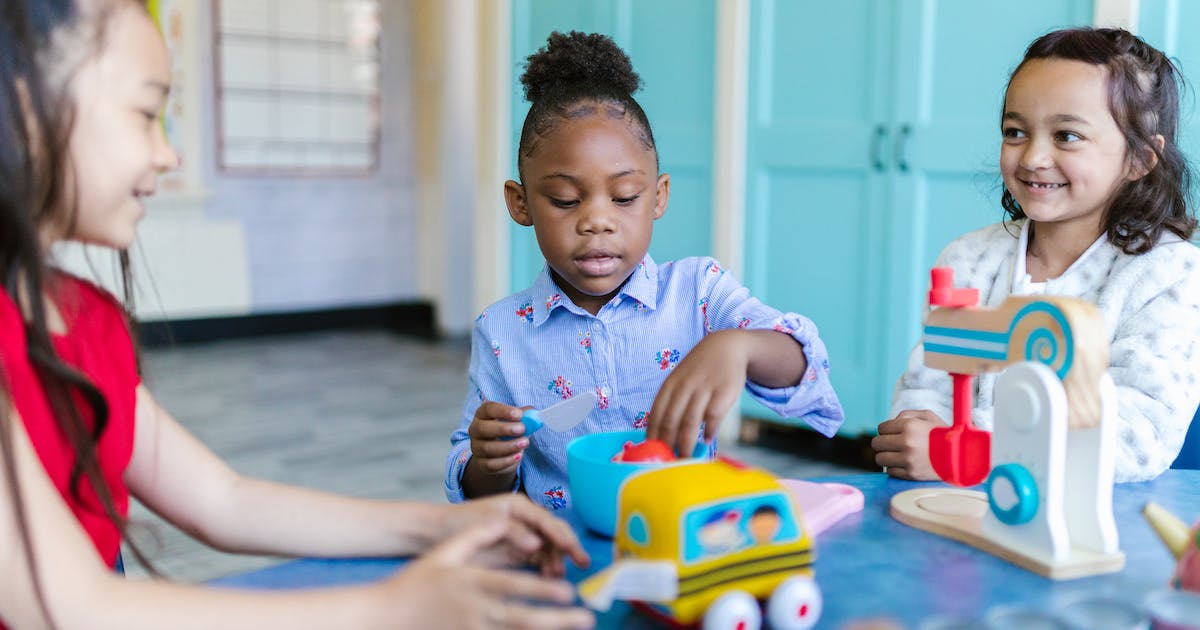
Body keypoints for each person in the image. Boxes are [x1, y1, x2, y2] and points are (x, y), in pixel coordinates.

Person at [0, 1, 595, 628]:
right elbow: (66, 605)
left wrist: (446, 524)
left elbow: (222, 502)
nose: (167, 155)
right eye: (147, 115)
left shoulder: (86, 320)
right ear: (25, 109)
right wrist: (394, 608)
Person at [444, 31, 843, 509]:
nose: (596, 220)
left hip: (680, 543)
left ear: (658, 197)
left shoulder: (699, 291)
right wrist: (491, 460)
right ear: (521, 203)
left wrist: (738, 345)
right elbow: (474, 484)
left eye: (625, 197)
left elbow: (804, 362)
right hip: (561, 555)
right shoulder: (501, 330)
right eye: (566, 200)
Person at [874, 27, 1200, 483]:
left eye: (1066, 135)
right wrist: (917, 431)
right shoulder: (968, 259)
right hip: (962, 509)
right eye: (1015, 131)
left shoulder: (1171, 274)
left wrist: (975, 450)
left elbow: (1137, 435)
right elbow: (929, 388)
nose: (1032, 157)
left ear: (1140, 158)